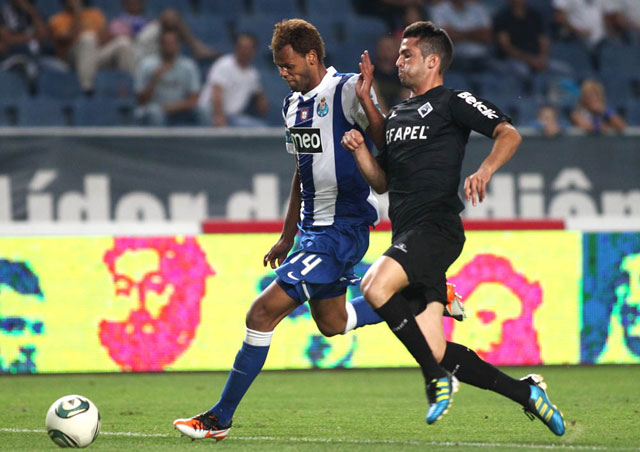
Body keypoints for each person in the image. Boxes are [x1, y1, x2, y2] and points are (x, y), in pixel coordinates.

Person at [340, 21, 566, 433]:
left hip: (436, 228)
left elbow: (508, 134)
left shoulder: (453, 101)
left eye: (407, 54)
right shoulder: (397, 115)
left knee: (374, 286)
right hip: (406, 233)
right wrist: (361, 147)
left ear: (432, 61)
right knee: (436, 348)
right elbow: (382, 182)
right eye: (399, 54)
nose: (399, 60)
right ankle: (526, 393)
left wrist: (485, 169)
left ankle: (434, 379)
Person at [48, 0, 135, 94]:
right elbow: (68, 42)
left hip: (95, 55)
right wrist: (77, 14)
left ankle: (129, 88)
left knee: (123, 43)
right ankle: (87, 89)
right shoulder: (57, 19)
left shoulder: (95, 14)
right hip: (73, 59)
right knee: (88, 38)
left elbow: (105, 40)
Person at [198, 33, 269, 127]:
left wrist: (261, 101)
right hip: (211, 111)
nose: (244, 51)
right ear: (236, 48)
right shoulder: (224, 64)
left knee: (260, 129)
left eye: (248, 48)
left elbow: (259, 96)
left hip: (232, 116)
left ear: (254, 51)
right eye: (241, 47)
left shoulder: (253, 74)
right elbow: (217, 92)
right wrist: (218, 116)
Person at [134, 28, 200, 126]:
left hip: (181, 110)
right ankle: (157, 137)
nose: (169, 46)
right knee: (155, 112)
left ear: (178, 45)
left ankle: (208, 136)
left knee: (203, 110)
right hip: (154, 109)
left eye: (172, 43)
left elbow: (194, 100)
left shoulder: (188, 66)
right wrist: (154, 79)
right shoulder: (146, 65)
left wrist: (170, 108)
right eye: (166, 43)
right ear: (160, 45)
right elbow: (141, 102)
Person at [494, 0, 573, 82]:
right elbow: (505, 46)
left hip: (537, 57)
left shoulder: (535, 15)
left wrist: (543, 58)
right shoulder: (502, 17)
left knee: (565, 71)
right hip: (514, 59)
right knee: (523, 73)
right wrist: (530, 60)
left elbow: (543, 40)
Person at [429, 0, 493, 72]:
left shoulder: (478, 9)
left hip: (481, 58)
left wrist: (457, 32)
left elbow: (487, 37)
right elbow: (445, 38)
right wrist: (476, 33)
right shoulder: (439, 10)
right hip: (455, 59)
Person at [0, 0, 49, 92]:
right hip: (11, 58)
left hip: (37, 58)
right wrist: (34, 36)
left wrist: (31, 11)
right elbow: (7, 39)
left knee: (60, 69)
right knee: (27, 66)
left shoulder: (34, 13)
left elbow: (43, 36)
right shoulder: (3, 13)